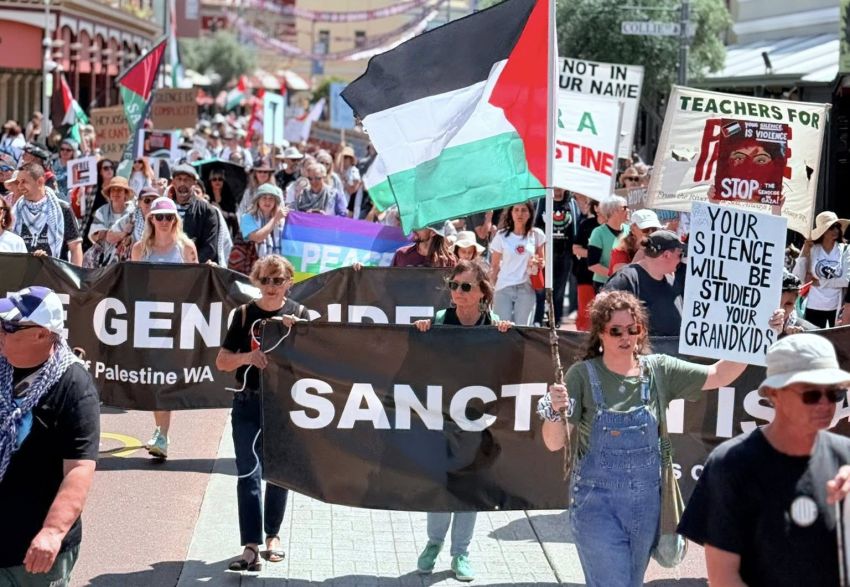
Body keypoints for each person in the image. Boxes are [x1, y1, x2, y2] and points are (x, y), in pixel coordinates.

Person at [539, 290, 756, 587]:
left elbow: (719, 374)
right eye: (615, 330)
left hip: (647, 503)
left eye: (633, 328)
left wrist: (755, 332)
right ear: (600, 333)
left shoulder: (659, 369)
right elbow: (554, 443)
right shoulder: (580, 376)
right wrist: (554, 410)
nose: (625, 336)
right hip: (595, 504)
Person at [677, 333, 850, 587]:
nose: (825, 404)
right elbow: (723, 576)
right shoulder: (730, 465)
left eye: (834, 393)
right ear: (774, 394)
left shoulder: (845, 457)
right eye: (811, 394)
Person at [411, 260, 511, 582]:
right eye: (454, 286)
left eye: (466, 287)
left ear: (482, 291)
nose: (457, 293)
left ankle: (461, 553)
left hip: (479, 421)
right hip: (444, 417)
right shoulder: (441, 320)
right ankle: (434, 542)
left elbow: (509, 364)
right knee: (442, 483)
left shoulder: (493, 323)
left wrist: (508, 337)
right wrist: (424, 333)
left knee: (470, 486)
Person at [216, 255, 311, 573]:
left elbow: (320, 357)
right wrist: (248, 357)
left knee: (278, 473)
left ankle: (273, 536)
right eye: (266, 280)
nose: (272, 286)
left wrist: (302, 333)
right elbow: (222, 361)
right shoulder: (243, 315)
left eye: (278, 280)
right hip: (247, 402)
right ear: (256, 280)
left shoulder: (299, 315)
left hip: (283, 404)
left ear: (289, 282)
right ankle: (250, 546)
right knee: (247, 473)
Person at [0, 286, 99, 586]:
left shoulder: (74, 386)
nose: (0, 332)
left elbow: (79, 468)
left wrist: (53, 531)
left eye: (9, 327)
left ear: (42, 334)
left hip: (34, 553)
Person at [131, 197, 199, 459]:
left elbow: (198, 283)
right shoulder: (140, 249)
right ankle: (160, 431)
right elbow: (132, 284)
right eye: (159, 217)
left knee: (165, 376)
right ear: (150, 220)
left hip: (178, 319)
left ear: (175, 220)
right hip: (149, 319)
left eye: (169, 217)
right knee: (154, 376)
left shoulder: (185, 247)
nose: (164, 222)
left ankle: (163, 433)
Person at [602, 230, 686, 336]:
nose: (681, 260)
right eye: (680, 254)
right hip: (639, 350)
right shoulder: (626, 279)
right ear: (666, 255)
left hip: (671, 349)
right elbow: (603, 314)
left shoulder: (672, 282)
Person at [12, 163, 83, 266]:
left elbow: (75, 247)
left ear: (40, 181)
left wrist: (75, 279)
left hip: (55, 275)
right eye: (18, 182)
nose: (19, 186)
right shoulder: (15, 211)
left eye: (24, 182)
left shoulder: (62, 209)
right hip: (22, 275)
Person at [489, 201, 545, 326]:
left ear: (530, 214)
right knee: (500, 327)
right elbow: (495, 265)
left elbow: (542, 262)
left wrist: (536, 263)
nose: (520, 213)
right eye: (516, 210)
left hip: (526, 287)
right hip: (503, 286)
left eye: (524, 210)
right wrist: (489, 288)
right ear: (511, 213)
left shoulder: (537, 235)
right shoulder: (501, 235)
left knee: (523, 329)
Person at [793, 211, 850, 328]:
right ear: (823, 231)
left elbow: (846, 280)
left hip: (836, 306)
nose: (835, 230)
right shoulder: (812, 248)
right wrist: (804, 253)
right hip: (813, 304)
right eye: (831, 227)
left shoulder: (845, 250)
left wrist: (820, 282)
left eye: (837, 227)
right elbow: (798, 277)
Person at [534, 188, 581, 326]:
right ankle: (538, 319)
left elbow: (576, 225)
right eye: (555, 188)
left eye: (561, 188)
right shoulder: (543, 201)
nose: (558, 191)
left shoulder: (571, 203)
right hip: (546, 251)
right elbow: (536, 224)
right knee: (541, 288)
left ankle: (555, 320)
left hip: (565, 253)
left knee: (559, 289)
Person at [167, 163, 220, 263]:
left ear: (194, 183)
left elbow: (210, 248)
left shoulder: (207, 211)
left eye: (187, 179)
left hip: (193, 269)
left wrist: (189, 263)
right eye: (179, 179)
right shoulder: (165, 208)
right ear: (173, 182)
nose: (182, 183)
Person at [85, 176, 136, 268]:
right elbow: (100, 237)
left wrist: (108, 234)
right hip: (103, 258)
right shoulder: (101, 211)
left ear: (125, 193)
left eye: (119, 190)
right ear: (109, 193)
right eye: (113, 190)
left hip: (128, 257)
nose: (116, 193)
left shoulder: (133, 212)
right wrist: (123, 233)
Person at [587, 196, 628, 291]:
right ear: (613, 211)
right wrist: (616, 276)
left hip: (626, 283)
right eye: (624, 208)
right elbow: (592, 265)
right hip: (604, 284)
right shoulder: (598, 232)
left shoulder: (629, 230)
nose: (628, 210)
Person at [572, 195, 600, 331]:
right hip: (586, 275)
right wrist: (595, 255)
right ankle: (581, 344)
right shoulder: (587, 224)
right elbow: (575, 248)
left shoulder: (617, 227)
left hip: (607, 276)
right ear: (595, 208)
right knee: (585, 312)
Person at [608, 209, 662, 276]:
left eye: (654, 229)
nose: (651, 233)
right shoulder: (620, 251)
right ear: (633, 229)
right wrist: (642, 250)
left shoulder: (659, 249)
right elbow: (625, 276)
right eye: (646, 229)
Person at [241, 184, 287, 259]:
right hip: (254, 265)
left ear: (275, 202)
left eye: (271, 198)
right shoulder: (247, 218)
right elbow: (258, 238)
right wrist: (275, 219)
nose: (267, 201)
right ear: (258, 200)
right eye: (264, 198)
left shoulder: (282, 220)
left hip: (278, 265)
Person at [80, 158, 115, 251]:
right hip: (92, 232)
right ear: (100, 171)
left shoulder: (118, 189)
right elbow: (83, 209)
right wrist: (80, 195)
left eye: (111, 168)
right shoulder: (93, 189)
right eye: (106, 168)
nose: (109, 170)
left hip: (110, 231)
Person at [391, 223, 456, 268]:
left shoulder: (449, 260)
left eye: (420, 226)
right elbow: (389, 283)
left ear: (433, 232)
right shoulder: (401, 254)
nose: (414, 229)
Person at [780, 270, 817, 335]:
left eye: (789, 304)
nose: (782, 308)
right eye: (777, 302)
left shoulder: (809, 332)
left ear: (795, 303)